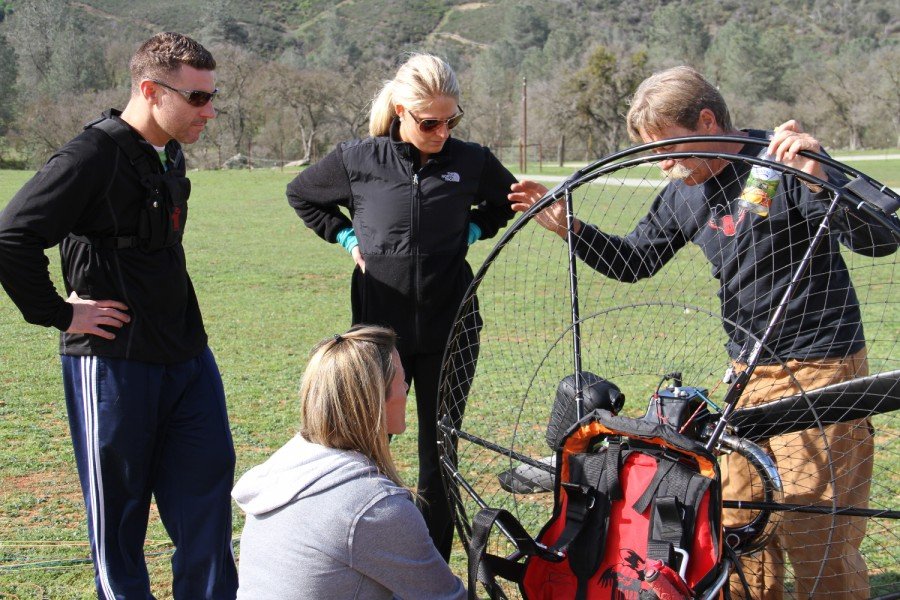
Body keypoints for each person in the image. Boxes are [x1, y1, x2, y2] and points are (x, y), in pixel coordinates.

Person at [508, 66, 897, 600]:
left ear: (708, 121)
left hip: (819, 371)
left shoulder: (781, 160)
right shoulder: (684, 192)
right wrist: (571, 228)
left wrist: (817, 174)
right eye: (653, 154)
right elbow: (635, 261)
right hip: (746, 377)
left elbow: (880, 237)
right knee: (737, 531)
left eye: (667, 148)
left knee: (816, 530)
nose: (663, 164)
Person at [0, 33, 237, 599]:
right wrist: (59, 313)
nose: (210, 110)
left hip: (186, 357)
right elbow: (12, 236)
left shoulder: (169, 151)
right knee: (119, 525)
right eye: (198, 98)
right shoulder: (89, 156)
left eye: (212, 96)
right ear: (151, 91)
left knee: (207, 510)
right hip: (113, 365)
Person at [286, 53, 516, 560]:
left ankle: (430, 567)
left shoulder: (471, 160)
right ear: (399, 110)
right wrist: (346, 235)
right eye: (429, 121)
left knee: (439, 451)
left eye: (451, 120)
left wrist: (474, 229)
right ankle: (365, 556)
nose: (441, 131)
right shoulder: (357, 159)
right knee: (364, 446)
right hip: (377, 333)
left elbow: (509, 199)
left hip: (451, 328)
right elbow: (302, 194)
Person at [232, 325, 466, 600]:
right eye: (401, 381)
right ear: (375, 400)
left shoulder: (283, 466)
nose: (406, 389)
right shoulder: (376, 507)